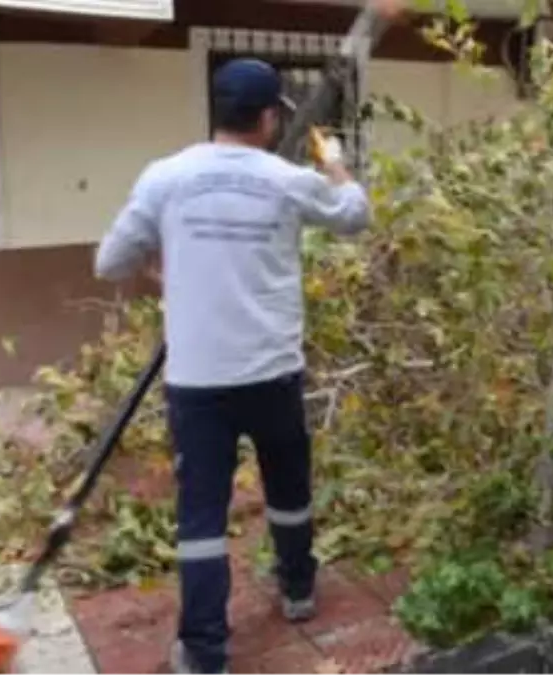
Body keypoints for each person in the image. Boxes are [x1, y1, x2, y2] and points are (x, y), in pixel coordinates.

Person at [93, 56, 371, 675]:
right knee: (289, 490)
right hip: (272, 373)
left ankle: (206, 650)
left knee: (201, 519)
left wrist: (160, 267)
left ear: (216, 112)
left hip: (198, 383)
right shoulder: (287, 180)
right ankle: (298, 591)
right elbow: (355, 213)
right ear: (271, 118)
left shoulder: (165, 178)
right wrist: (333, 160)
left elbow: (110, 261)